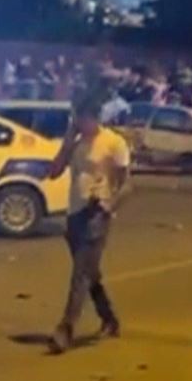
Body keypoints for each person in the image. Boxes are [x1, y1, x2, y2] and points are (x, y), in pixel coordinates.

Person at [44, 100, 130, 354]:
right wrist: (67, 141)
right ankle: (109, 318)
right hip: (75, 213)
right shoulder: (77, 142)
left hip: (97, 213)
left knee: (80, 275)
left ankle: (65, 329)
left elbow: (127, 184)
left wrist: (109, 204)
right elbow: (54, 172)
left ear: (95, 118)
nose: (80, 123)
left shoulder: (114, 143)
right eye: (77, 119)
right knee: (89, 273)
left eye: (83, 119)